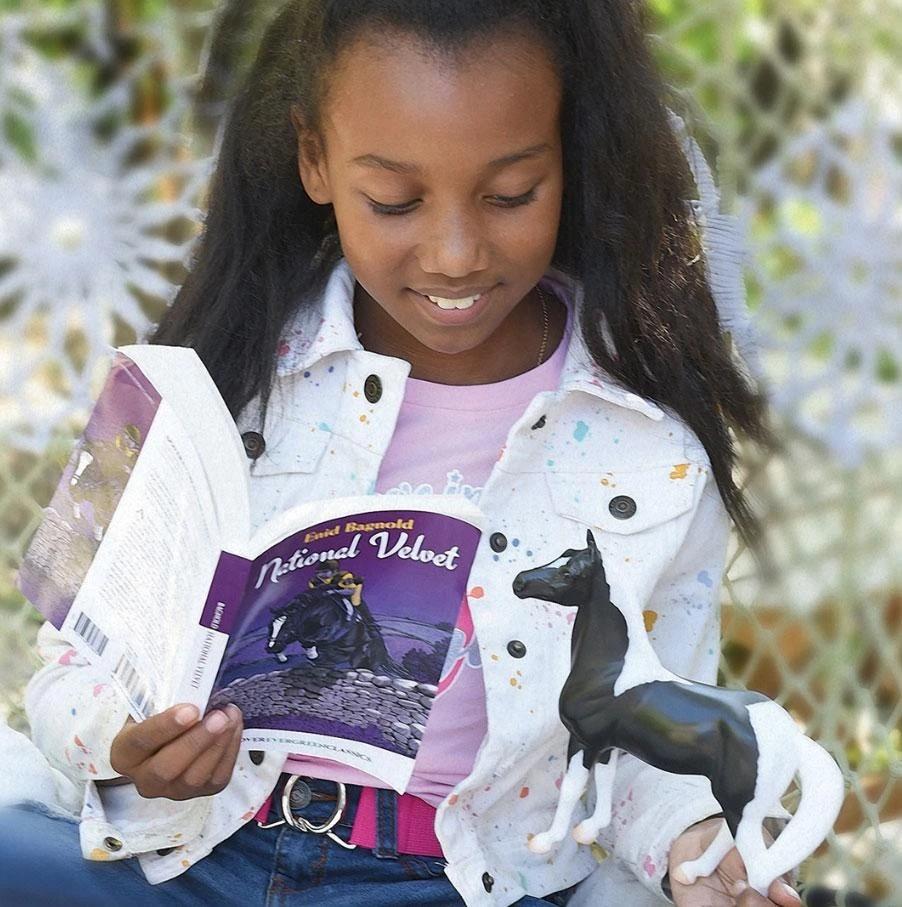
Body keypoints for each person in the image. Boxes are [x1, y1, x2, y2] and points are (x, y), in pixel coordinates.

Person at [0, 1, 805, 905]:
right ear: (314, 158)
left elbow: (648, 736)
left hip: (450, 882)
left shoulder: (652, 442)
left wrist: (697, 849)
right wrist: (125, 745)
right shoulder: (210, 358)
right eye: (393, 201)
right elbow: (65, 670)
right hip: (194, 858)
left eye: (511, 194)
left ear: (570, 156)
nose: (455, 255)